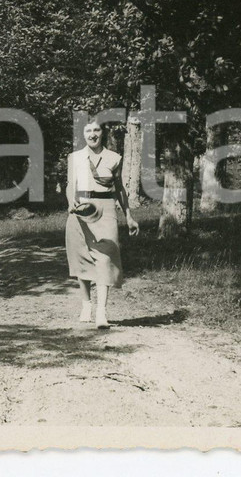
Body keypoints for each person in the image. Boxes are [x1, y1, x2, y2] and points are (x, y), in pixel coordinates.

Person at [65, 121, 139, 328]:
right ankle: (86, 304)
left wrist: (129, 216)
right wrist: (71, 203)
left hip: (105, 209)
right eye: (88, 131)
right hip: (81, 209)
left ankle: (101, 311)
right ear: (83, 134)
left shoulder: (114, 158)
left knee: (105, 258)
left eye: (96, 130)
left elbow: (119, 189)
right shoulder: (75, 158)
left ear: (102, 133)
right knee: (82, 257)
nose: (92, 134)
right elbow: (71, 185)